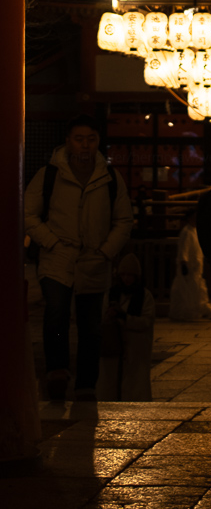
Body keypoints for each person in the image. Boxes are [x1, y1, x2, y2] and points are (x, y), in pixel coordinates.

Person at [24, 113, 133, 401]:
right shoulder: (50, 174)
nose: (85, 145)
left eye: (91, 139)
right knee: (56, 313)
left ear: (98, 142)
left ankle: (86, 382)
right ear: (68, 142)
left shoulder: (110, 177)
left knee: (91, 324)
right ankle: (57, 371)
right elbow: (28, 214)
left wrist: (106, 250)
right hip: (57, 256)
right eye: (79, 139)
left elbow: (123, 219)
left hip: (94, 259)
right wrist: (50, 241)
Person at [97, 253, 155, 401]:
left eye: (130, 275)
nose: (127, 278)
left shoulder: (145, 296)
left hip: (136, 347)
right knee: (111, 381)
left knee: (135, 383)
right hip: (114, 344)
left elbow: (146, 321)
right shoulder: (111, 294)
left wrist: (125, 318)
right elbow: (102, 317)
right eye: (124, 275)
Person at [169, 209, 211, 321]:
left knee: (197, 290)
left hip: (196, 266)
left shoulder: (194, 231)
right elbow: (183, 249)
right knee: (188, 292)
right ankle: (186, 313)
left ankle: (206, 310)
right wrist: (184, 263)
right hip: (189, 267)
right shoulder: (186, 232)